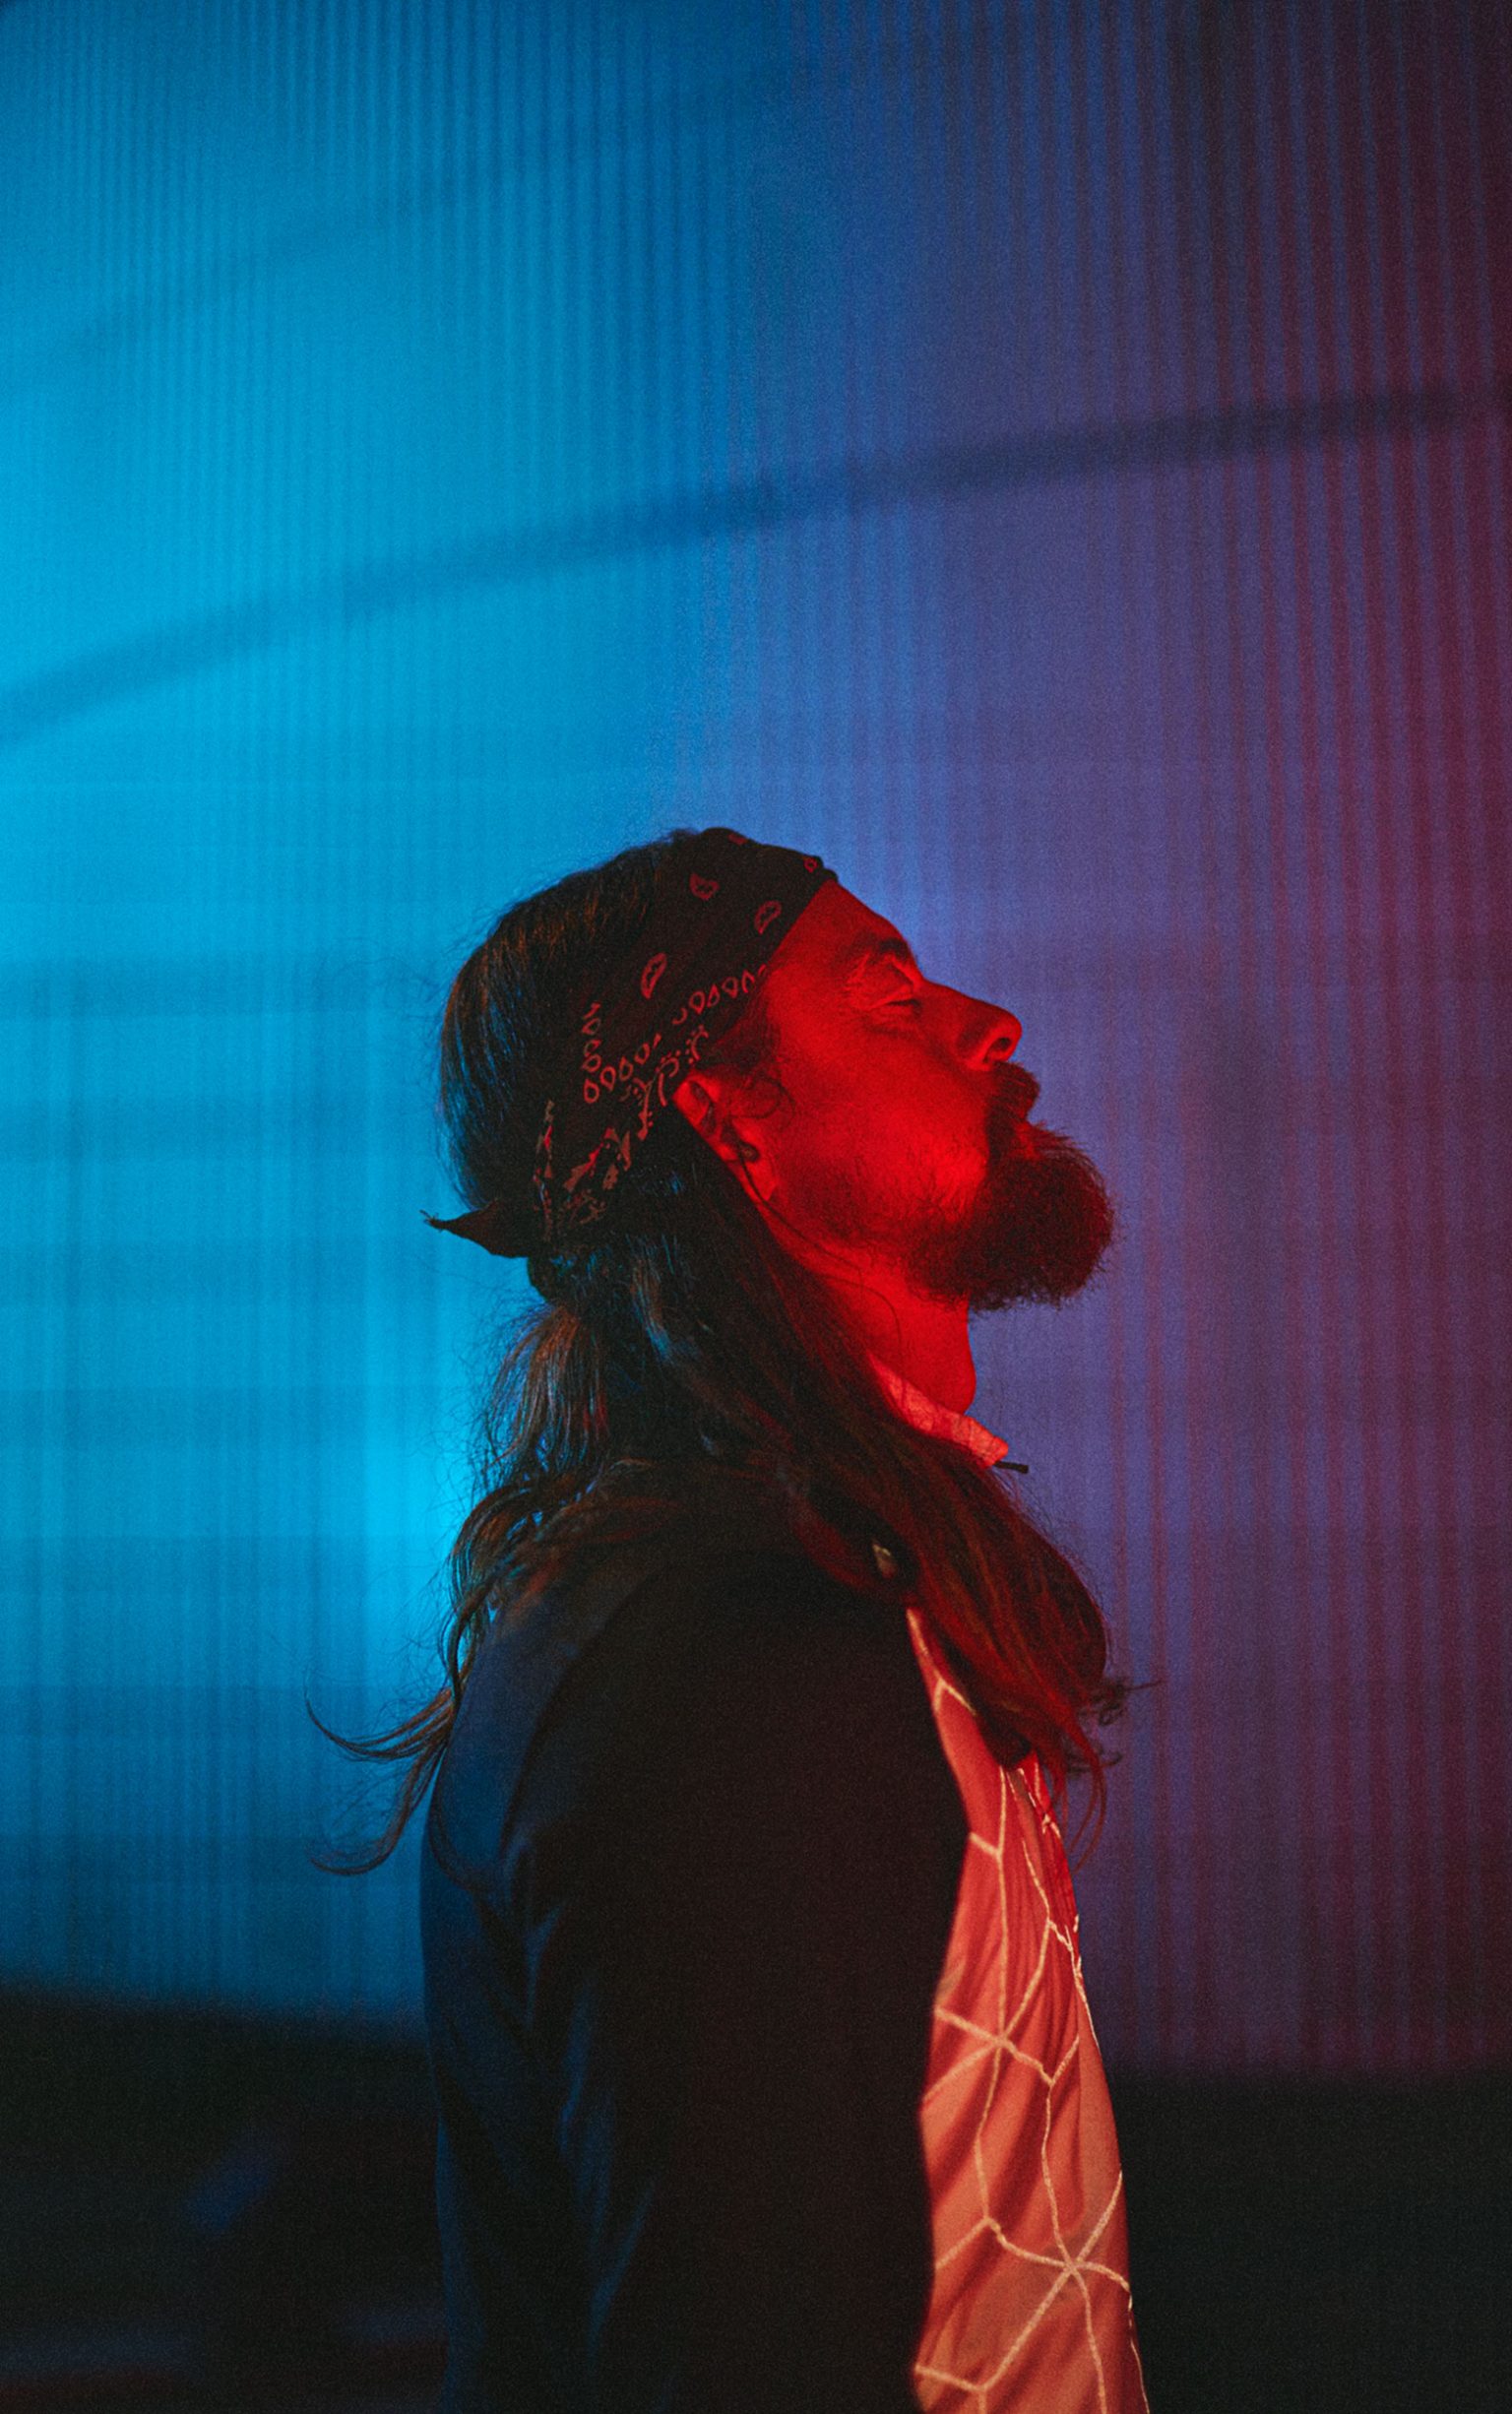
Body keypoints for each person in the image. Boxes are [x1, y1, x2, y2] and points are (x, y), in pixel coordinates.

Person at [363, 826, 1147, 2411]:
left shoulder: (812, 1590)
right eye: (891, 995)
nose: (984, 1024)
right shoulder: (735, 1659)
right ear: (732, 1119)